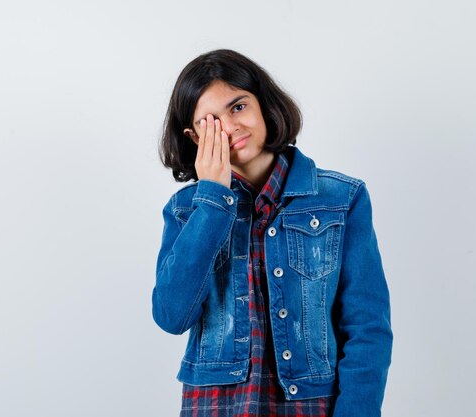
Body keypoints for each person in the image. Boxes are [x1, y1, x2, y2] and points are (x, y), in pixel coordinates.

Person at [152, 49, 393, 417]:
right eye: (209, 121)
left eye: (238, 107)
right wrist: (213, 200)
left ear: (264, 105)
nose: (230, 128)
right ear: (193, 137)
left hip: (310, 407)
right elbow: (172, 316)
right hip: (216, 408)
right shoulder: (186, 210)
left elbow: (367, 329)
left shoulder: (341, 199)